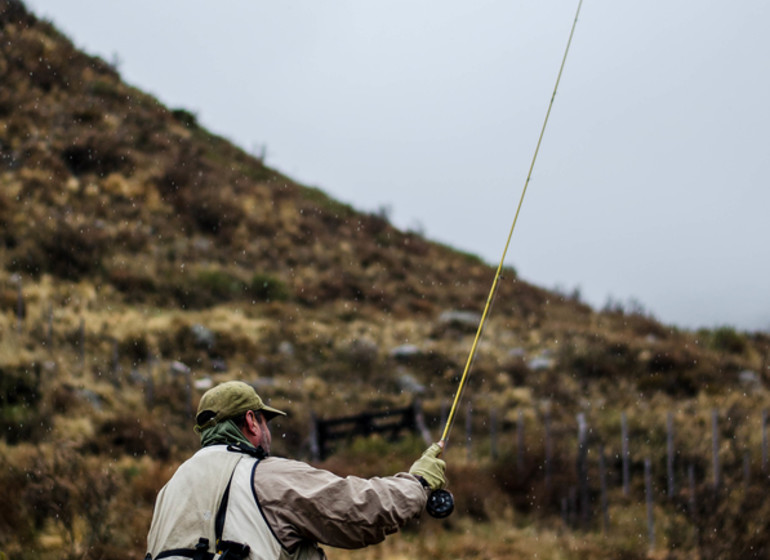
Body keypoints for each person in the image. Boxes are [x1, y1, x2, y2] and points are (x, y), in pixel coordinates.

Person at [145, 380, 448, 560]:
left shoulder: (169, 491)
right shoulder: (265, 476)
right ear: (251, 421)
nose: (268, 433)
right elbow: (362, 511)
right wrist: (418, 482)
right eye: (266, 422)